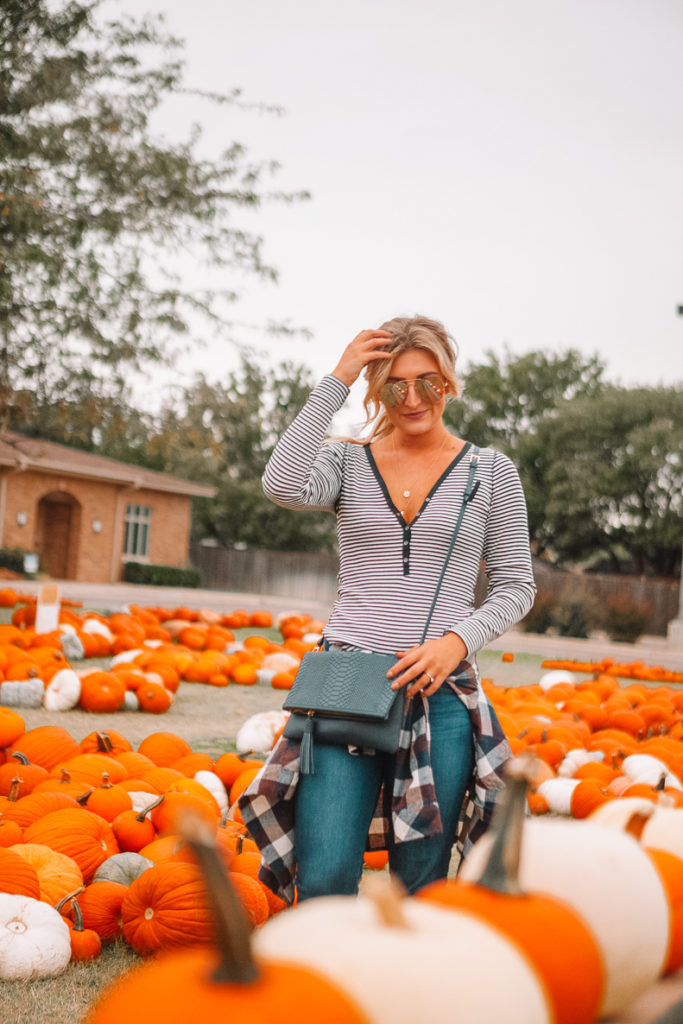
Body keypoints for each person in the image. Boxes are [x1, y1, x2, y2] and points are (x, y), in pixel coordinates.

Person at [238, 315, 536, 905]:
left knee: (422, 880)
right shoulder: (348, 464)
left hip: (439, 695)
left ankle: (409, 992)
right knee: (323, 877)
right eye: (395, 384)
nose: (413, 398)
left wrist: (456, 640)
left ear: (449, 384)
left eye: (429, 381)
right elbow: (281, 483)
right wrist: (339, 377)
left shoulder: (489, 471)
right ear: (377, 390)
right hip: (347, 685)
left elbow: (515, 586)